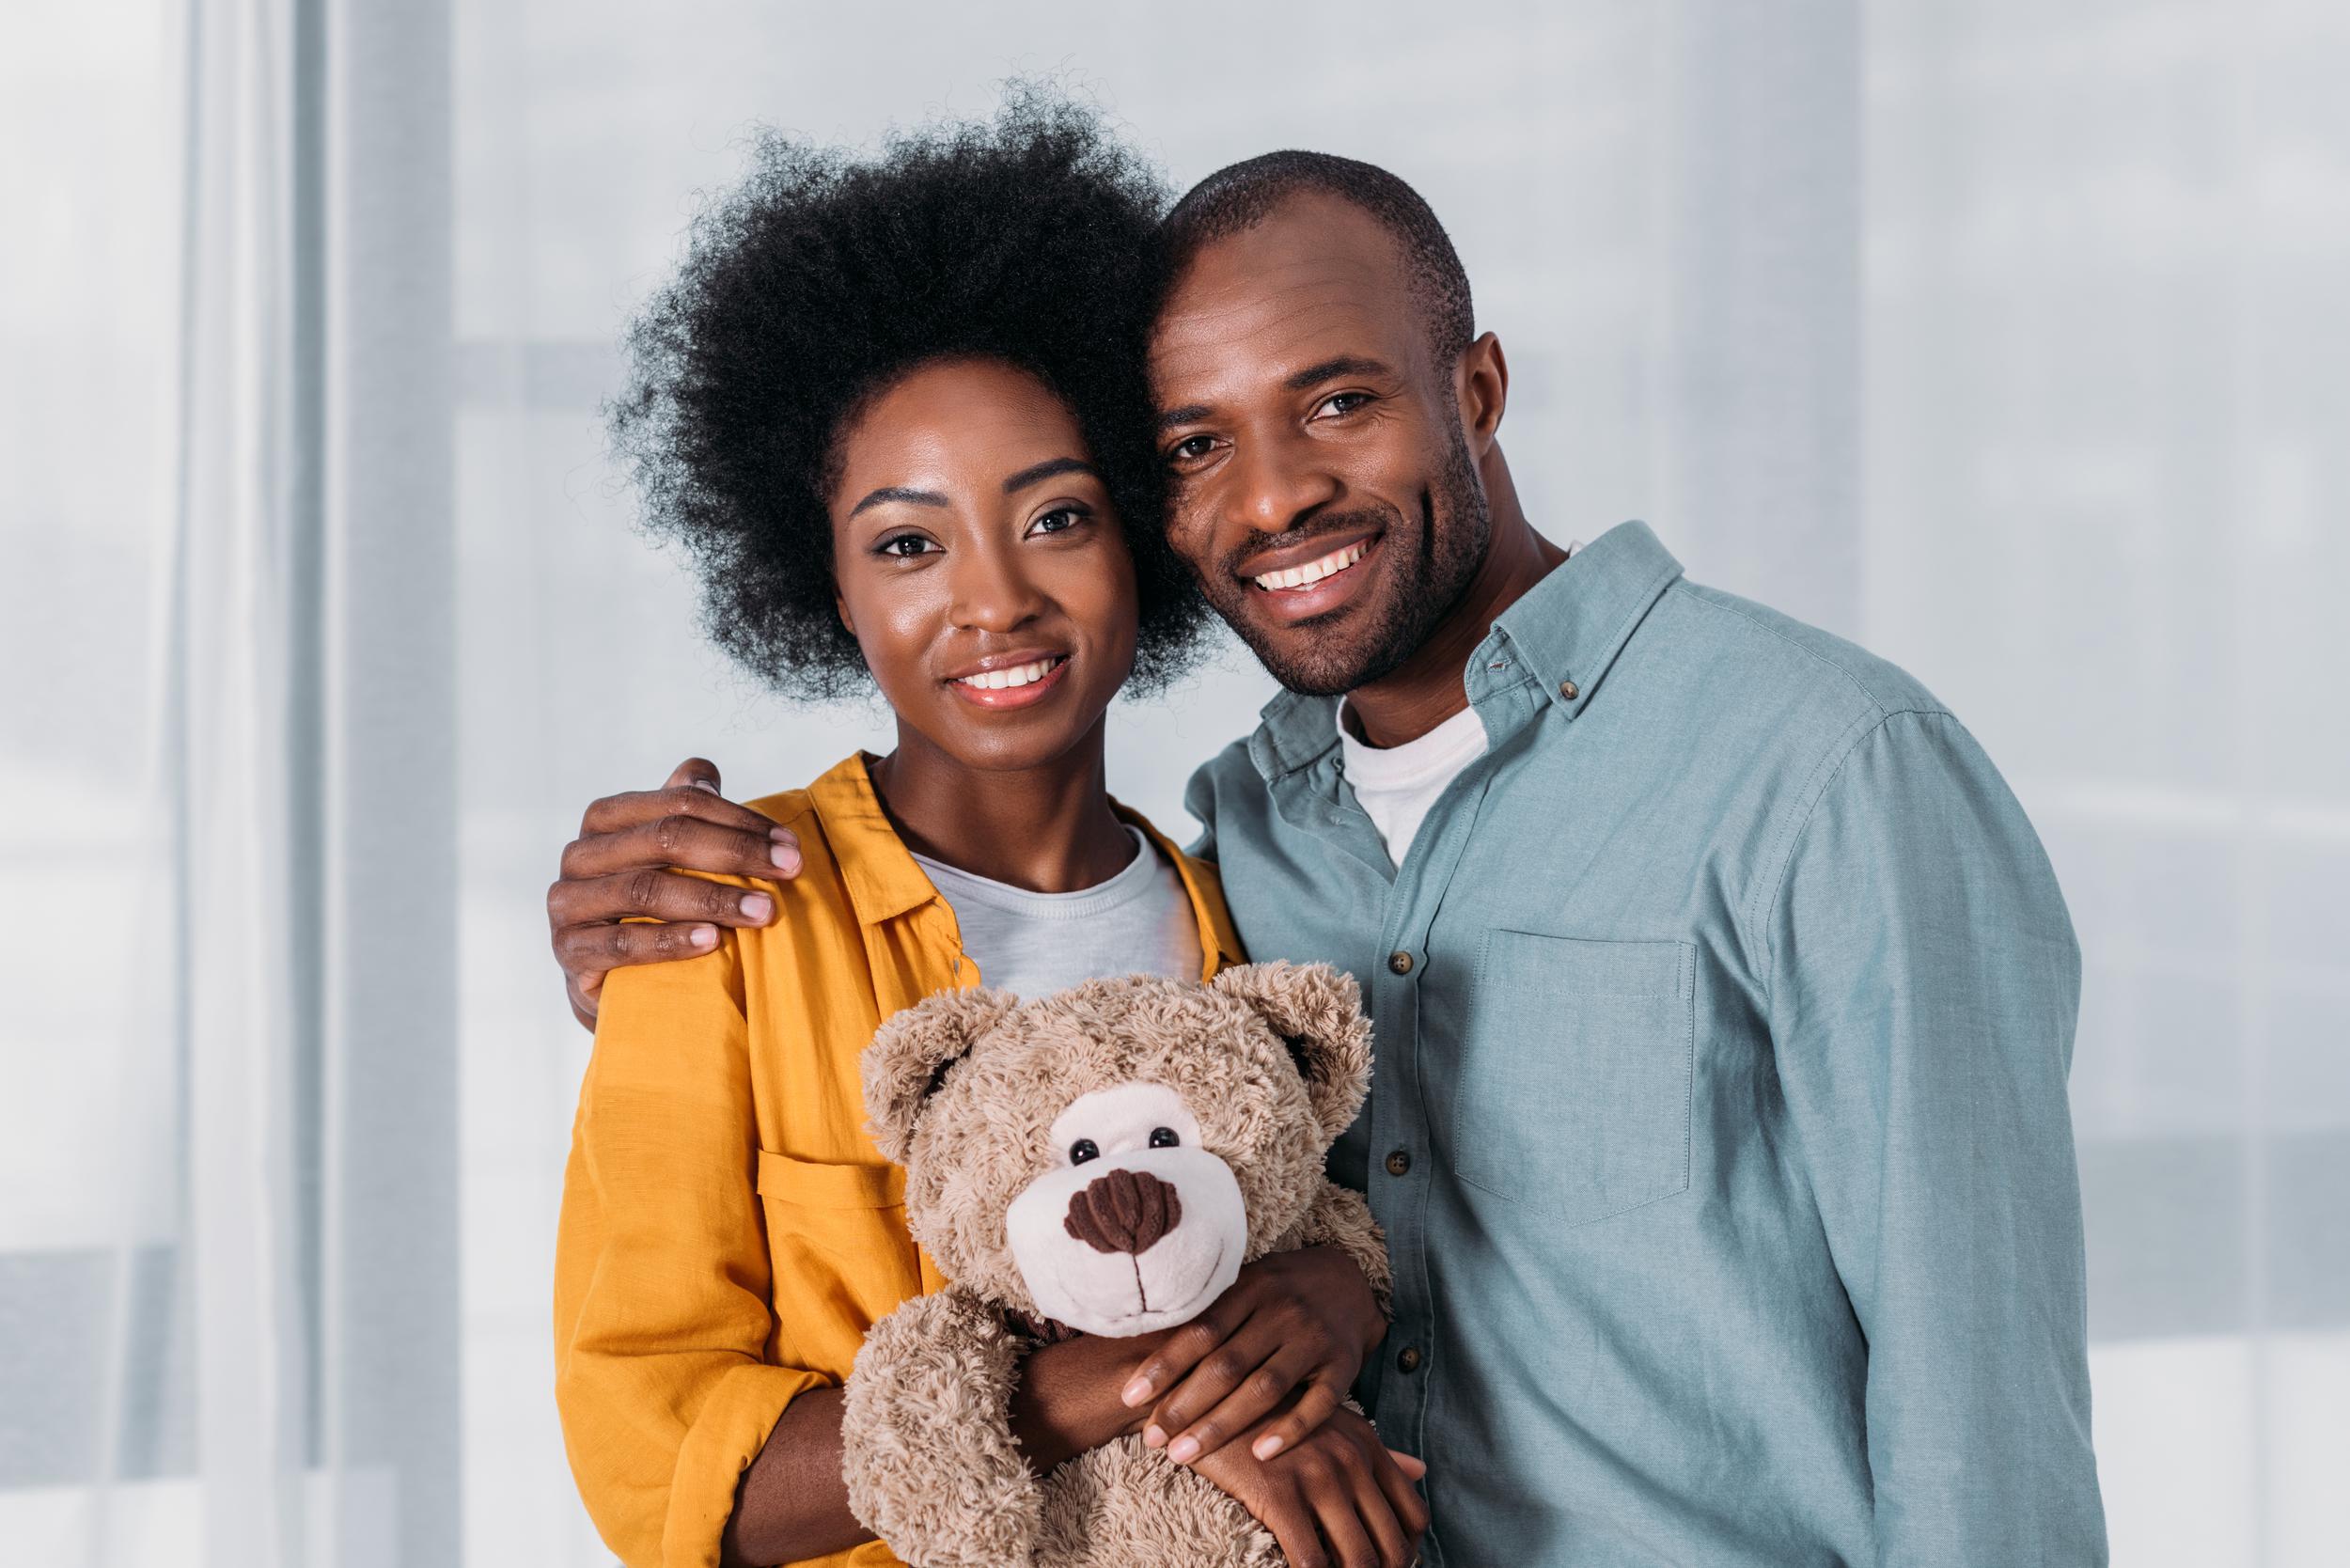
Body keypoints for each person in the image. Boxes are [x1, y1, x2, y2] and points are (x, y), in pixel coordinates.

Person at [555, 149, 2108, 1564]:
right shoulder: (1255, 834)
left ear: (1479, 391)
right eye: (1197, 443)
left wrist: (1339, 1290)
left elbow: (1983, 1410)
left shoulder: (1828, 769)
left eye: (1340, 403)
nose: (1279, 492)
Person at [552, 100, 1428, 1568]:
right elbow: (656, 1466)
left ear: (1139, 537)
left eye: (1057, 517)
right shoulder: (718, 925)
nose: (994, 601)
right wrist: (1103, 1387)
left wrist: (1341, 1298)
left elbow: (1333, 1242)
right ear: (825, 585)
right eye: (907, 542)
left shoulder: (1254, 903)